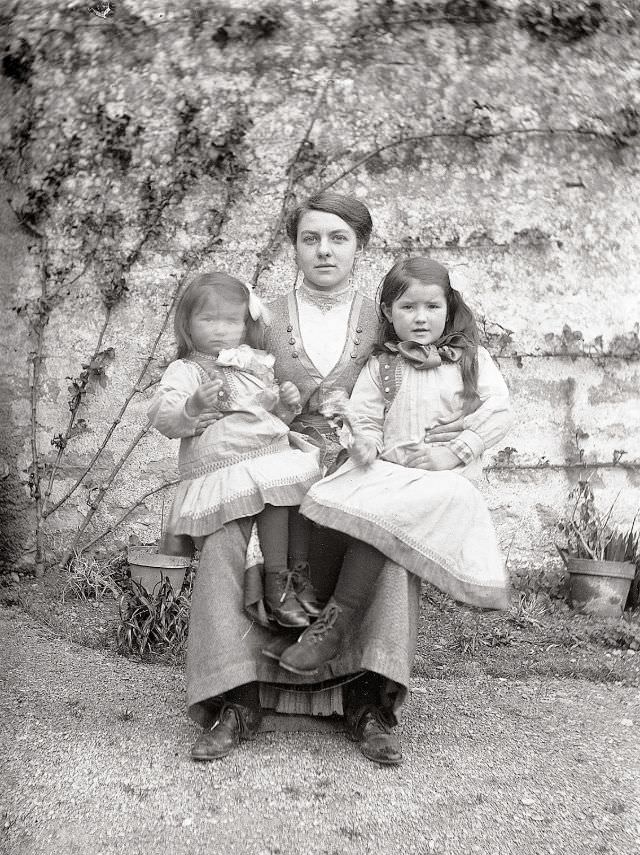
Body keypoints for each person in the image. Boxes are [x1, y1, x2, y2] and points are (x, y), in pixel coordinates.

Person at [185, 195, 477, 767]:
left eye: (338, 238)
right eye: (310, 238)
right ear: (293, 246)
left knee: (387, 538)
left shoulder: (387, 316)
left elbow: (429, 393)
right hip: (272, 467)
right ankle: (238, 699)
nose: (323, 250)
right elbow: (222, 391)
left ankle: (367, 703)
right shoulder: (259, 318)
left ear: (359, 247)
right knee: (225, 540)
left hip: (359, 466)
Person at [277, 256, 513, 675]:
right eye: (408, 308)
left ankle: (335, 623)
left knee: (381, 516)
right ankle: (313, 594)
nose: (420, 319)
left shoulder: (470, 360)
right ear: (388, 312)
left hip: (441, 482)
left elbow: (499, 412)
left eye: (432, 307)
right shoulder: (382, 363)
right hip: (390, 471)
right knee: (328, 496)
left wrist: (455, 450)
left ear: (449, 308)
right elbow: (364, 416)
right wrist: (364, 442)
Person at [148, 271, 323, 628]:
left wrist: (285, 404)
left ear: (245, 325)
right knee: (275, 490)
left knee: (304, 489)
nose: (220, 329)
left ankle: (298, 576)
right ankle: (276, 582)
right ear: (187, 324)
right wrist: (192, 405)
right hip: (224, 462)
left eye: (231, 321)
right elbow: (163, 415)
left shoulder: (252, 363)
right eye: (208, 319)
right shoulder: (187, 369)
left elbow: (267, 413)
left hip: (266, 451)